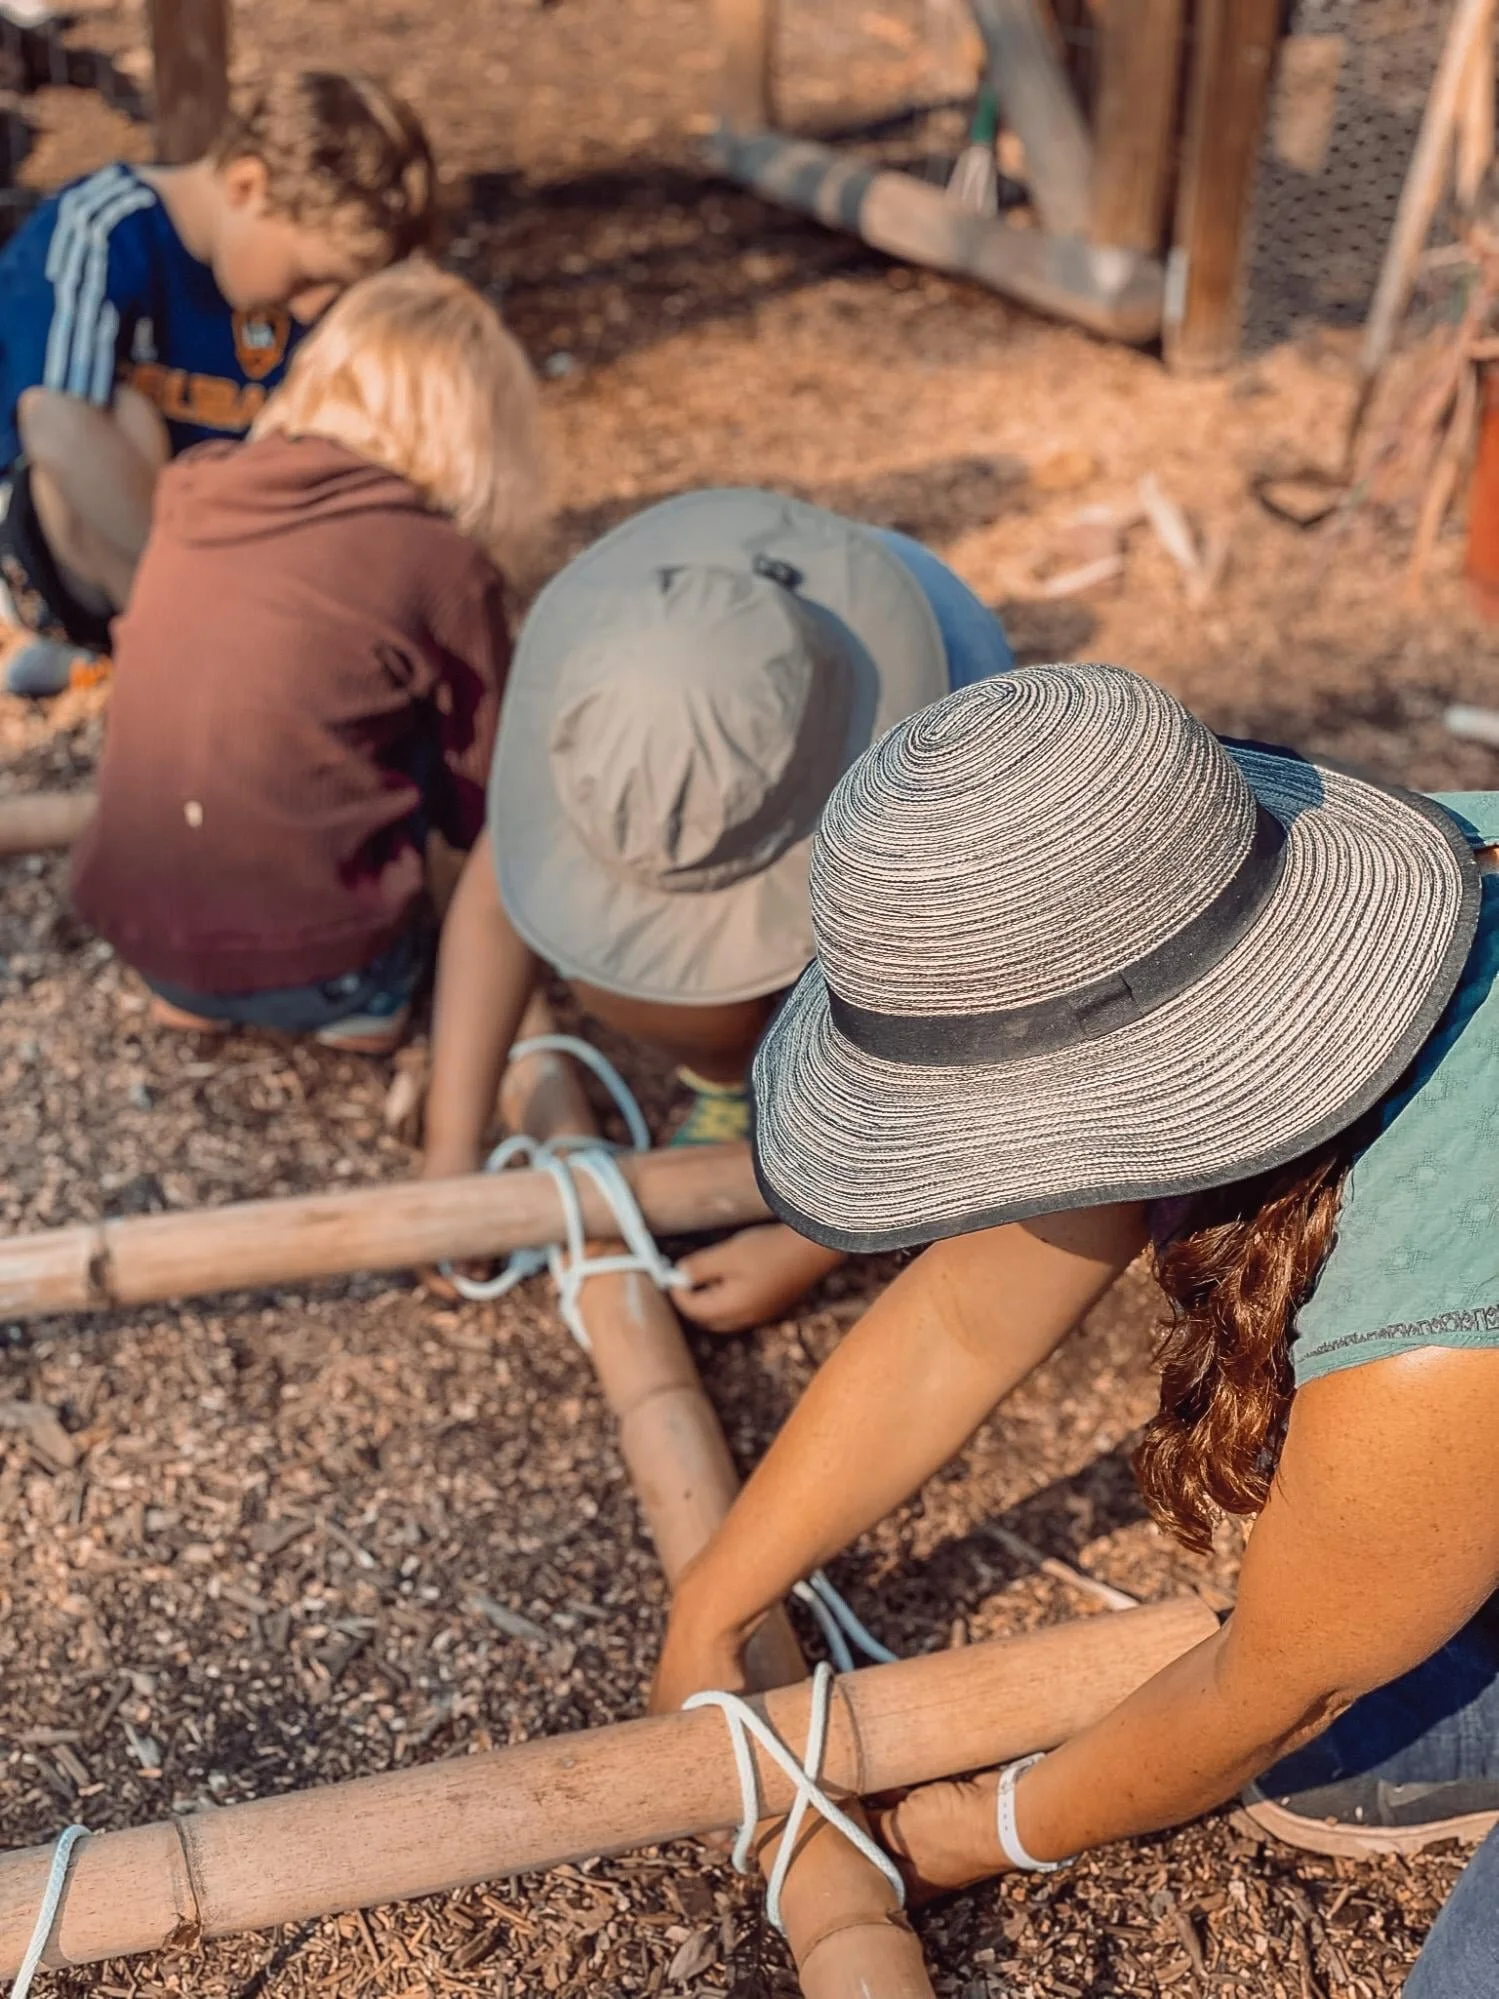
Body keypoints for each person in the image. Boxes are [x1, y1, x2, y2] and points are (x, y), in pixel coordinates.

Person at [649, 663, 1499, 1992]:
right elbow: (962, 1318)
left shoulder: (1445, 1300)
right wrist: (712, 1600)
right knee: (1377, 1674)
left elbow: (1271, 1689)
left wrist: (959, 1827)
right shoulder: (1261, 899)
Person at [421, 488, 1015, 1331]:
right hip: (797, 749)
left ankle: (768, 1070)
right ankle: (737, 1068)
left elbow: (983, 1043)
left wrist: (809, 1245)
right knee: (630, 981)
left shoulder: (953, 783)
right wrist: (450, 1148)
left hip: (931, 820)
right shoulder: (626, 696)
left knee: (875, 999)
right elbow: (492, 896)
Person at [69, 261, 543, 1055]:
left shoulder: (197, 488)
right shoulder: (437, 561)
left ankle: (196, 994)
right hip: (322, 962)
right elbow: (483, 789)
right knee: (439, 714)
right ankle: (361, 1005)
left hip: (140, 928)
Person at [0, 68, 436, 695]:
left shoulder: (304, 300)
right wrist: (200, 588)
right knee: (111, 415)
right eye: (306, 277)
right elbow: (53, 423)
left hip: (248, 562)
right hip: (95, 558)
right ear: (246, 186)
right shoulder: (105, 229)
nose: (314, 308)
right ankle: (168, 657)